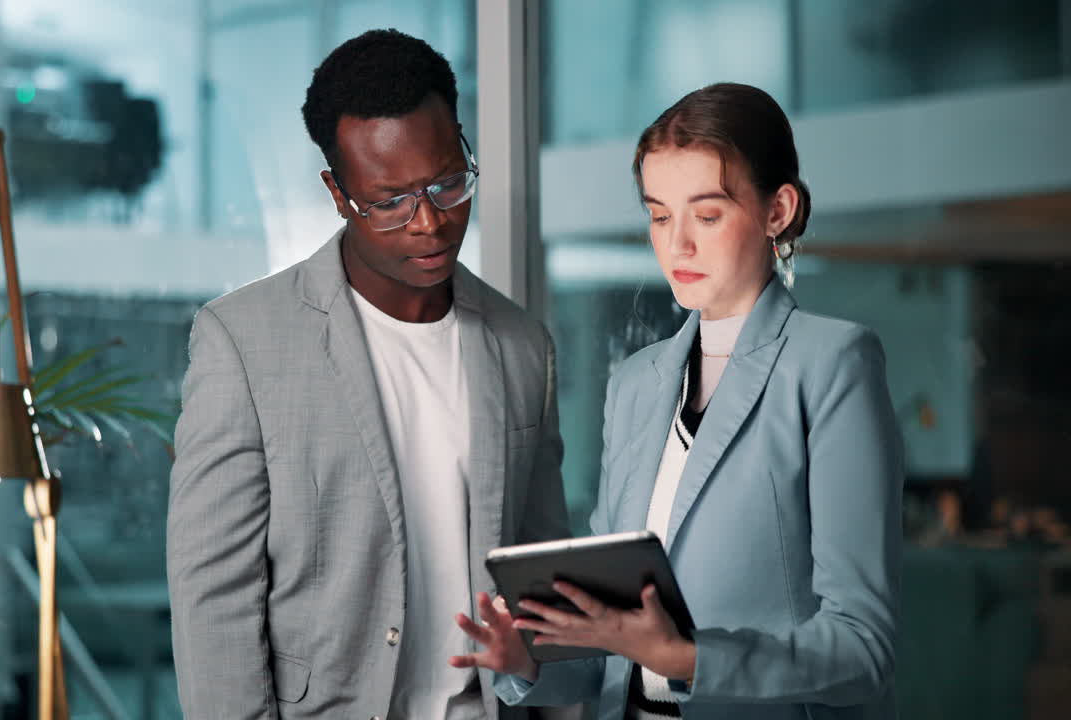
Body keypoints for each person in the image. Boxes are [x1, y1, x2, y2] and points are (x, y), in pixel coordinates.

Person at [451, 82, 904, 720]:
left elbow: (863, 648)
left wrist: (687, 657)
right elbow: (609, 651)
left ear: (778, 210)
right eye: (660, 216)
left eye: (707, 215)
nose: (677, 244)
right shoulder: (636, 384)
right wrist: (525, 660)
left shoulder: (833, 364)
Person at [167, 28, 568, 720]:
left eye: (448, 183)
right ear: (338, 192)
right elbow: (213, 599)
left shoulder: (522, 345)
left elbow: (544, 585)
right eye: (389, 201)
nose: (429, 222)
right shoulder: (243, 342)